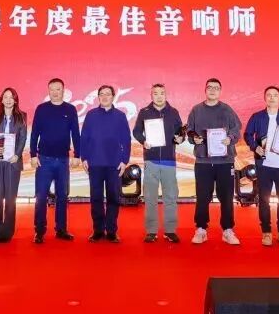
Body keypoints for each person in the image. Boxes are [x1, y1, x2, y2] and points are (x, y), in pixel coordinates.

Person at [187, 78, 242, 245]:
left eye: (216, 88)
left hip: (225, 161)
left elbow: (237, 129)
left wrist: (230, 138)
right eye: (209, 87)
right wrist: (194, 139)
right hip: (203, 161)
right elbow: (189, 131)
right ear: (205, 90)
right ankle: (201, 229)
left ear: (220, 91)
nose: (212, 90)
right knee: (202, 197)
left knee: (227, 197)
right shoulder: (196, 110)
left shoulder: (227, 110)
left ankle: (227, 230)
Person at [243, 85, 279, 247]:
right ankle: (266, 232)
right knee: (264, 199)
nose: (272, 97)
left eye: (275, 95)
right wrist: (255, 147)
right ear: (265, 98)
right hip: (264, 165)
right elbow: (247, 134)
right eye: (269, 95)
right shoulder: (257, 117)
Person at [29, 78, 81, 243]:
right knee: (41, 196)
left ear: (63, 91)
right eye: (52, 89)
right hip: (44, 160)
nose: (55, 92)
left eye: (58, 89)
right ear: (48, 91)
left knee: (62, 195)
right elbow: (34, 133)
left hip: (63, 160)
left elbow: (76, 133)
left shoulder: (70, 109)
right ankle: (39, 231)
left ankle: (61, 229)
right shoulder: (41, 109)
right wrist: (32, 154)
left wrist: (77, 155)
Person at [132, 83, 185, 243]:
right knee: (150, 197)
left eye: (162, 93)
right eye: (155, 93)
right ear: (151, 95)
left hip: (169, 160)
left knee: (171, 197)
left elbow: (180, 133)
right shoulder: (144, 112)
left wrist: (180, 138)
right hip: (151, 160)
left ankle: (170, 230)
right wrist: (143, 141)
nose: (159, 96)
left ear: (166, 95)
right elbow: (136, 131)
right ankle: (151, 231)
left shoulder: (173, 112)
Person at [80, 85, 132, 243]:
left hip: (114, 164)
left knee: (113, 198)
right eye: (101, 94)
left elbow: (126, 139)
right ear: (98, 97)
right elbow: (84, 138)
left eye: (107, 94)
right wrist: (84, 158)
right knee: (96, 198)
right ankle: (97, 230)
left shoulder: (120, 116)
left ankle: (111, 231)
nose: (104, 97)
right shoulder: (91, 115)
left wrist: (124, 160)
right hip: (94, 163)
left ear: (113, 96)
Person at [0, 87, 28, 242]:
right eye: (6, 97)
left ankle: (7, 232)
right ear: (1, 100)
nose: (8, 100)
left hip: (12, 161)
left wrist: (17, 154)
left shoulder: (22, 116)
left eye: (11, 97)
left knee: (10, 199)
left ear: (15, 100)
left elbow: (23, 138)